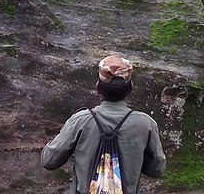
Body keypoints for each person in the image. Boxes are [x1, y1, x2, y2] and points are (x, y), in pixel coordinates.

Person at [42, 55, 165, 194]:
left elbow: (49, 160)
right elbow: (157, 169)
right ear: (130, 89)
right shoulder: (146, 124)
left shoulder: (80, 120)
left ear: (98, 87)